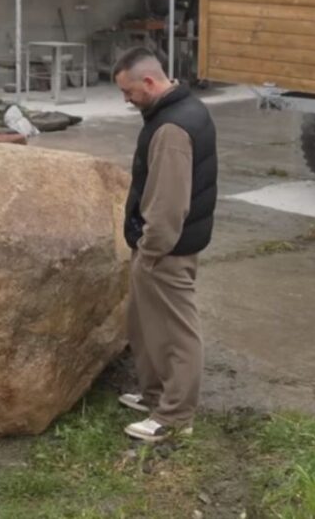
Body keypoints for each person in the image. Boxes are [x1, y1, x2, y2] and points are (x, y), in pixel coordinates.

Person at [112, 47, 217, 444]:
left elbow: (169, 204)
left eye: (129, 92)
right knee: (148, 326)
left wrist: (151, 249)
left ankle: (174, 416)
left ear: (150, 82)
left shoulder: (172, 129)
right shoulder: (180, 110)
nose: (126, 100)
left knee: (176, 333)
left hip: (166, 251)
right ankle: (156, 395)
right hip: (161, 248)